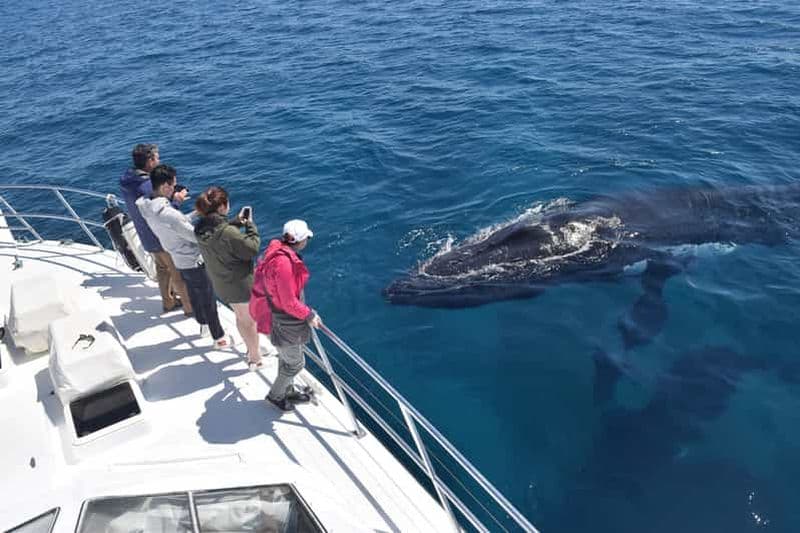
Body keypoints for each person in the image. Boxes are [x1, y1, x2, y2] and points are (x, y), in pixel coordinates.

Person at [136, 164, 229, 348]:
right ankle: (219, 338)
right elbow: (195, 236)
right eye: (173, 185)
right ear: (164, 187)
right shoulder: (170, 214)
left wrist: (195, 212)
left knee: (194, 294)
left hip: (177, 259)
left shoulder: (145, 205)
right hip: (193, 260)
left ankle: (202, 325)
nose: (174, 189)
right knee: (208, 298)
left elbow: (175, 223)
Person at [255, 219, 322, 412]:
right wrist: (309, 315)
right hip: (283, 320)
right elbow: (288, 302)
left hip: (274, 315)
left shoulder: (276, 250)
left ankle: (288, 389)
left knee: (286, 358)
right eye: (306, 238)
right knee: (295, 363)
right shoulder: (284, 263)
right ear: (300, 241)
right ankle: (276, 396)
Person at [194, 186, 263, 369]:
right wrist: (250, 225)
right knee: (248, 321)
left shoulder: (200, 229)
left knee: (241, 318)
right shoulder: (228, 233)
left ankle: (251, 349)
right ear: (223, 206)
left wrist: (236, 222)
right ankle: (255, 358)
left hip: (221, 282)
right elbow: (251, 248)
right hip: (239, 284)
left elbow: (219, 232)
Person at [119, 143, 192, 315]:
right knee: (177, 273)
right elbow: (162, 213)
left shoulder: (127, 180)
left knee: (162, 268)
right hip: (160, 236)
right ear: (150, 160)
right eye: (157, 158)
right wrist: (177, 200)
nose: (159, 160)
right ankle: (190, 309)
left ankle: (168, 302)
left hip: (145, 235)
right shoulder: (146, 186)